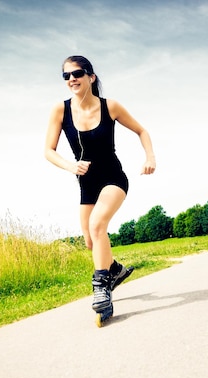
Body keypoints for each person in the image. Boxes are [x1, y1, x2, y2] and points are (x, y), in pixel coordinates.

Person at [44, 55, 156, 319]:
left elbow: (142, 131)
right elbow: (48, 151)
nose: (72, 79)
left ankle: (101, 288)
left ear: (91, 77)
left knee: (97, 226)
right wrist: (71, 166)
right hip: (86, 183)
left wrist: (150, 157)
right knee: (90, 241)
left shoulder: (111, 107)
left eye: (77, 73)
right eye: (66, 76)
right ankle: (115, 269)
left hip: (113, 178)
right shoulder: (60, 110)